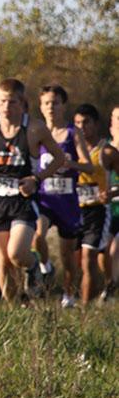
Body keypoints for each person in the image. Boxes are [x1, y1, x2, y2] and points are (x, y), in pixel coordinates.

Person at [0, 79, 65, 304]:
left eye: (12, 102)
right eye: (2, 101)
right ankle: (15, 309)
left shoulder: (34, 128)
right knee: (2, 260)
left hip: (22, 199)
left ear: (22, 103)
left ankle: (33, 265)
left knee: (16, 253)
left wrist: (36, 178)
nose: (6, 107)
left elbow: (59, 158)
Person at [33, 85, 92, 307]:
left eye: (55, 102)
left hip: (67, 200)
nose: (50, 107)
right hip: (44, 198)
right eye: (46, 103)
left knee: (68, 255)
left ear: (62, 105)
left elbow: (88, 167)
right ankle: (45, 266)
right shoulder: (36, 132)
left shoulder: (71, 133)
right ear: (41, 106)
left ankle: (68, 295)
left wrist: (71, 163)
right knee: (37, 235)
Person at [73, 104, 119, 305]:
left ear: (96, 124)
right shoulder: (69, 149)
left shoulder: (107, 152)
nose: (81, 127)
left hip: (99, 210)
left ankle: (87, 305)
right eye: (77, 123)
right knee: (78, 259)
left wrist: (112, 192)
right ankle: (71, 296)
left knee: (92, 256)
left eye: (86, 123)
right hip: (75, 210)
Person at [104, 105, 119, 300]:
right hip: (107, 211)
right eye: (117, 118)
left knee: (116, 248)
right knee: (103, 251)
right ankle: (109, 283)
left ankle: (111, 290)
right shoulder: (104, 150)